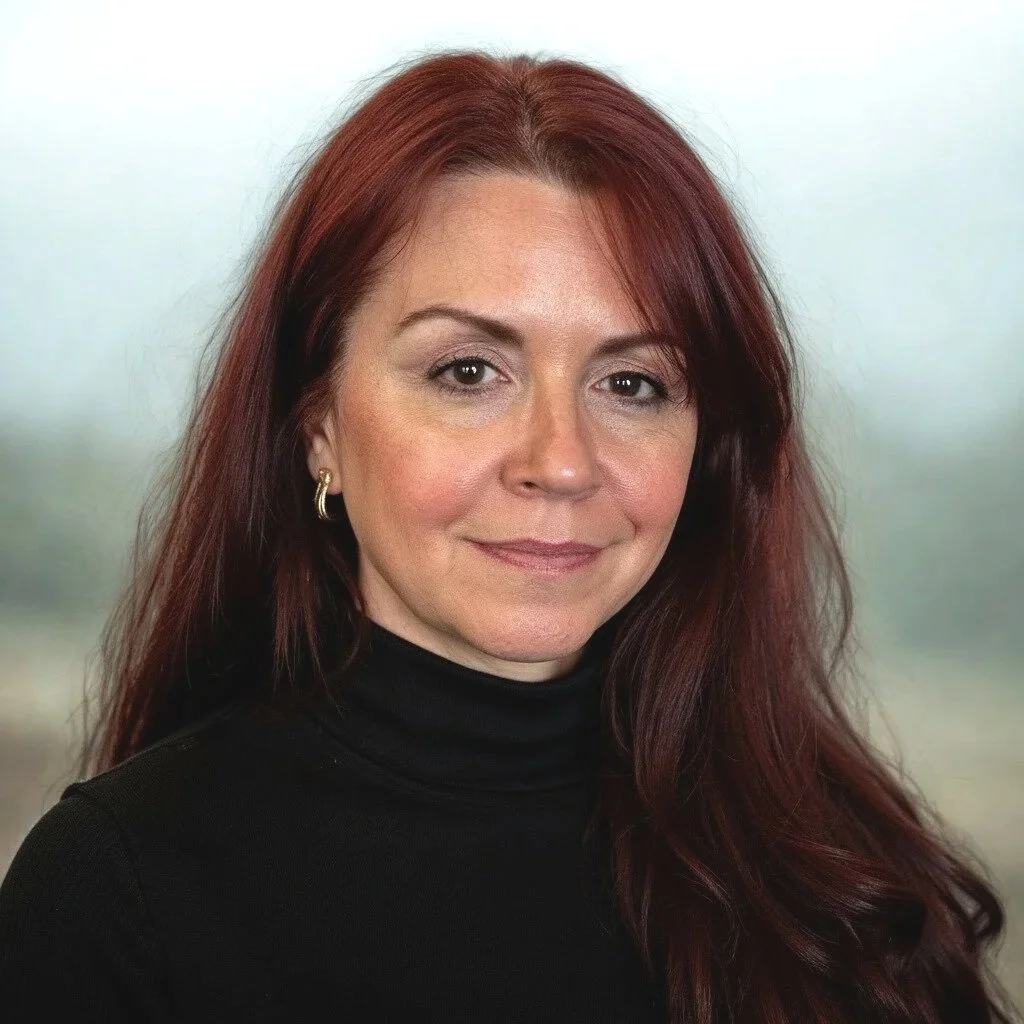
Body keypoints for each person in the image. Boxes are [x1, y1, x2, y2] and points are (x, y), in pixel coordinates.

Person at [0, 48, 1018, 1024]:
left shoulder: (841, 884)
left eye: (632, 384)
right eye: (468, 372)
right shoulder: (118, 891)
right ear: (319, 430)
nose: (560, 461)